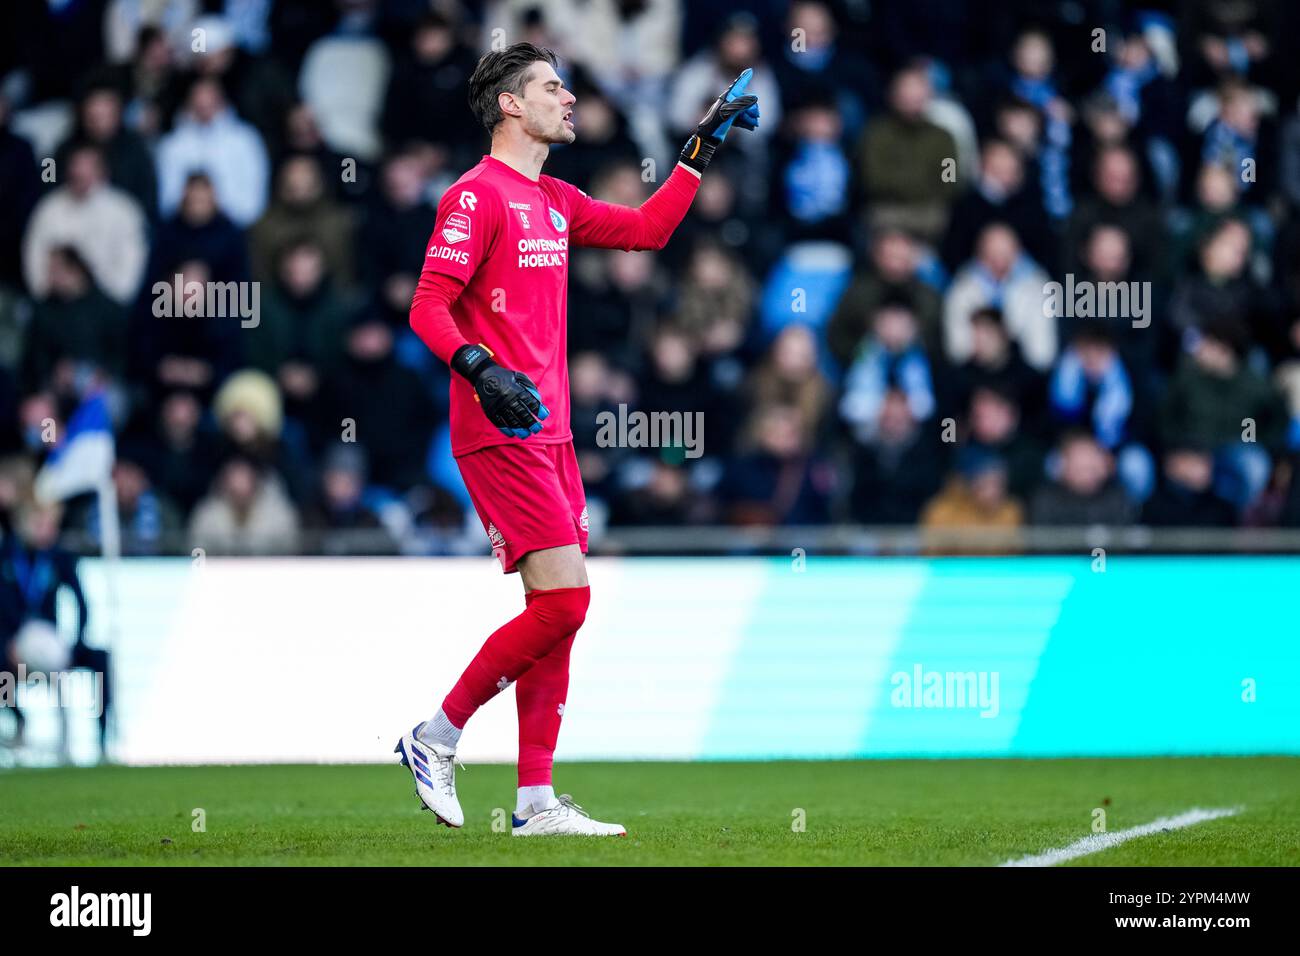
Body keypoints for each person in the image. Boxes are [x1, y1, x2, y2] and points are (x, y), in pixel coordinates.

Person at [403, 43, 758, 837]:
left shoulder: (555, 198)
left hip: (552, 433)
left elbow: (647, 230)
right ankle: (437, 734)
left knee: (557, 611)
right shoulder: (472, 197)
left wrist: (701, 146)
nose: (569, 99)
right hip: (498, 428)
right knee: (567, 600)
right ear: (510, 105)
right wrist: (480, 367)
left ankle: (534, 801)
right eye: (553, 88)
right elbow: (428, 305)